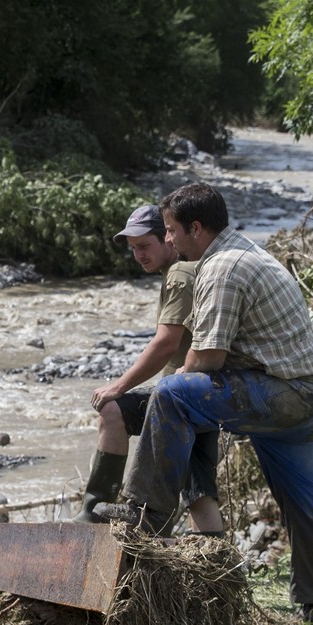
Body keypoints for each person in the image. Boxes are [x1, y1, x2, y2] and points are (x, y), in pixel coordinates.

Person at [96, 183, 313, 625]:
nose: (167, 240)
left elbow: (205, 362)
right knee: (302, 501)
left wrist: (158, 398)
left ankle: (141, 522)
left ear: (195, 228)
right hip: (309, 393)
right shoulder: (246, 252)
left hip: (286, 394)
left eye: (170, 231)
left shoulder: (221, 269)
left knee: (173, 396)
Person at [72, 204, 224, 534]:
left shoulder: (180, 275)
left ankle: (93, 516)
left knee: (113, 409)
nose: (139, 255)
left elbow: (166, 343)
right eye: (133, 249)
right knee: (197, 491)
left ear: (169, 239)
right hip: (198, 396)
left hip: (181, 400)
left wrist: (119, 386)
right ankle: (216, 565)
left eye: (144, 246)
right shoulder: (181, 272)